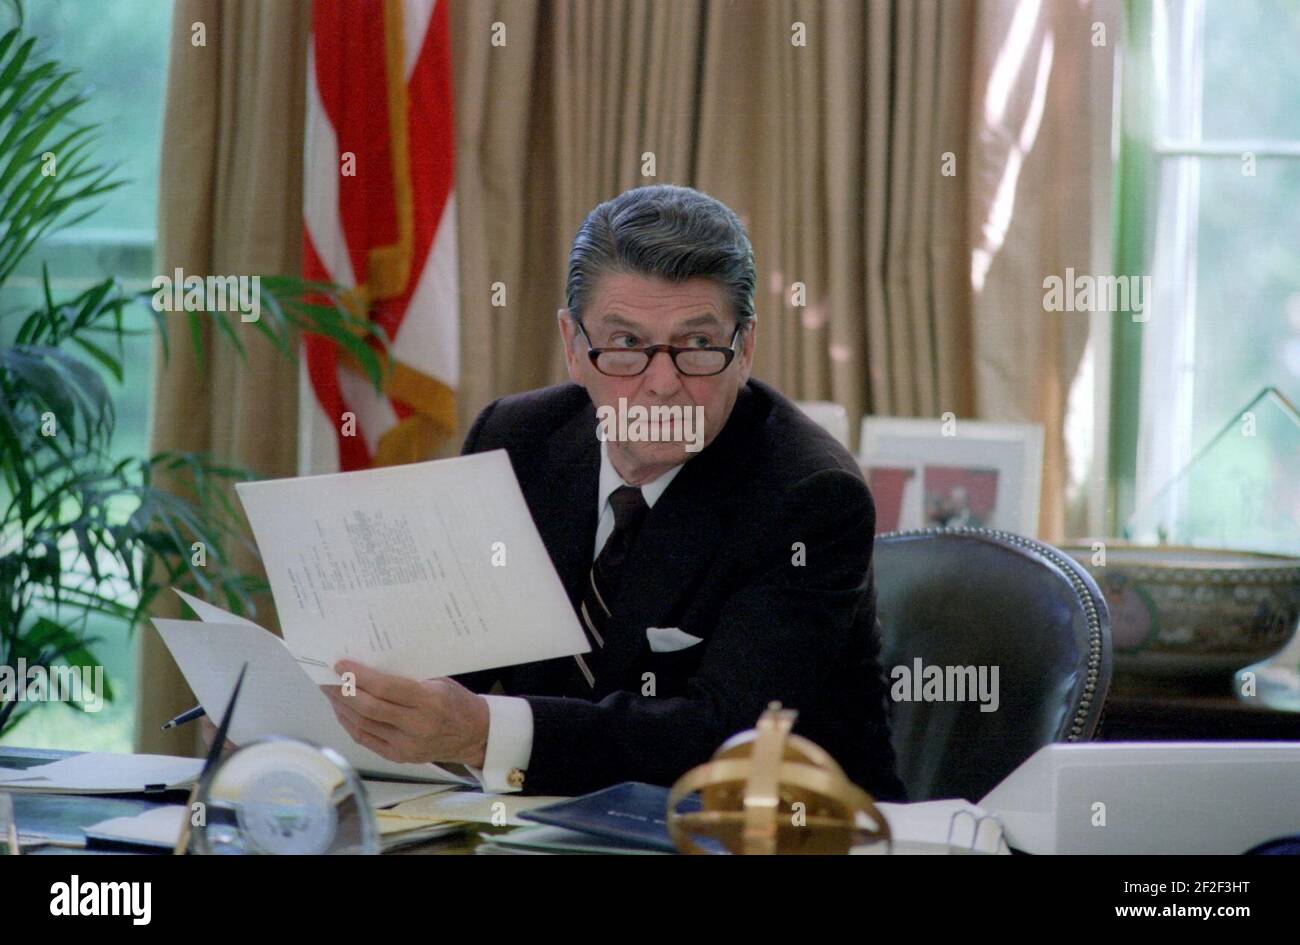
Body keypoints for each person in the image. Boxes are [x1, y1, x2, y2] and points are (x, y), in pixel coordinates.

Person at [301, 184, 903, 800]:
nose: (663, 384)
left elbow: (724, 737)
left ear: (744, 349)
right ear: (572, 345)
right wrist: (325, 710)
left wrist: (483, 733)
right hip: (552, 825)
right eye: (626, 345)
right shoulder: (517, 440)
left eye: (697, 346)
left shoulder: (809, 495)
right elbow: (453, 657)